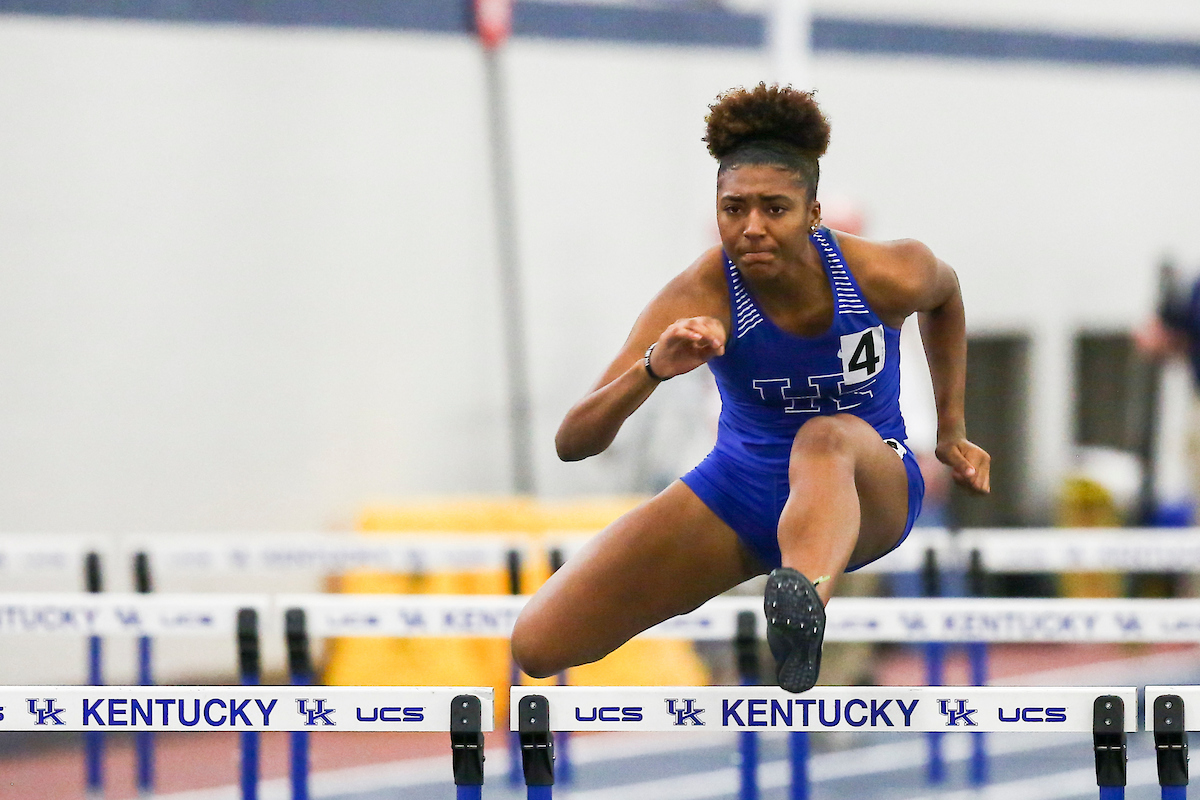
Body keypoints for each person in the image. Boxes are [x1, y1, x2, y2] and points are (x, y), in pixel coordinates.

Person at [511, 83, 991, 693]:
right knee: (539, 642)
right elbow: (573, 441)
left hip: (869, 490)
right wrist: (654, 367)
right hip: (743, 493)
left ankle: (801, 608)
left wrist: (952, 431)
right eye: (733, 209)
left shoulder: (883, 273)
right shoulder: (700, 292)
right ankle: (791, 593)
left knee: (823, 438)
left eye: (774, 208)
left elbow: (945, 296)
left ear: (813, 213)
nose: (752, 229)